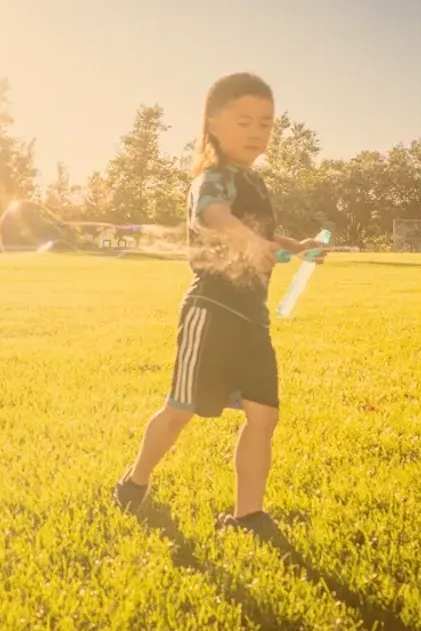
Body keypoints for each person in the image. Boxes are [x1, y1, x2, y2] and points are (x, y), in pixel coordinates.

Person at [112, 73, 327, 531]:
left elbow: (267, 239)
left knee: (263, 416)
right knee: (179, 411)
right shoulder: (210, 180)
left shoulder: (254, 181)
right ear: (213, 123)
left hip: (253, 318)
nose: (257, 133)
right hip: (211, 311)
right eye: (245, 121)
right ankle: (133, 483)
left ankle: (248, 515)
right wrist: (250, 240)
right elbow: (215, 216)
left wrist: (298, 245)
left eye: (266, 124)